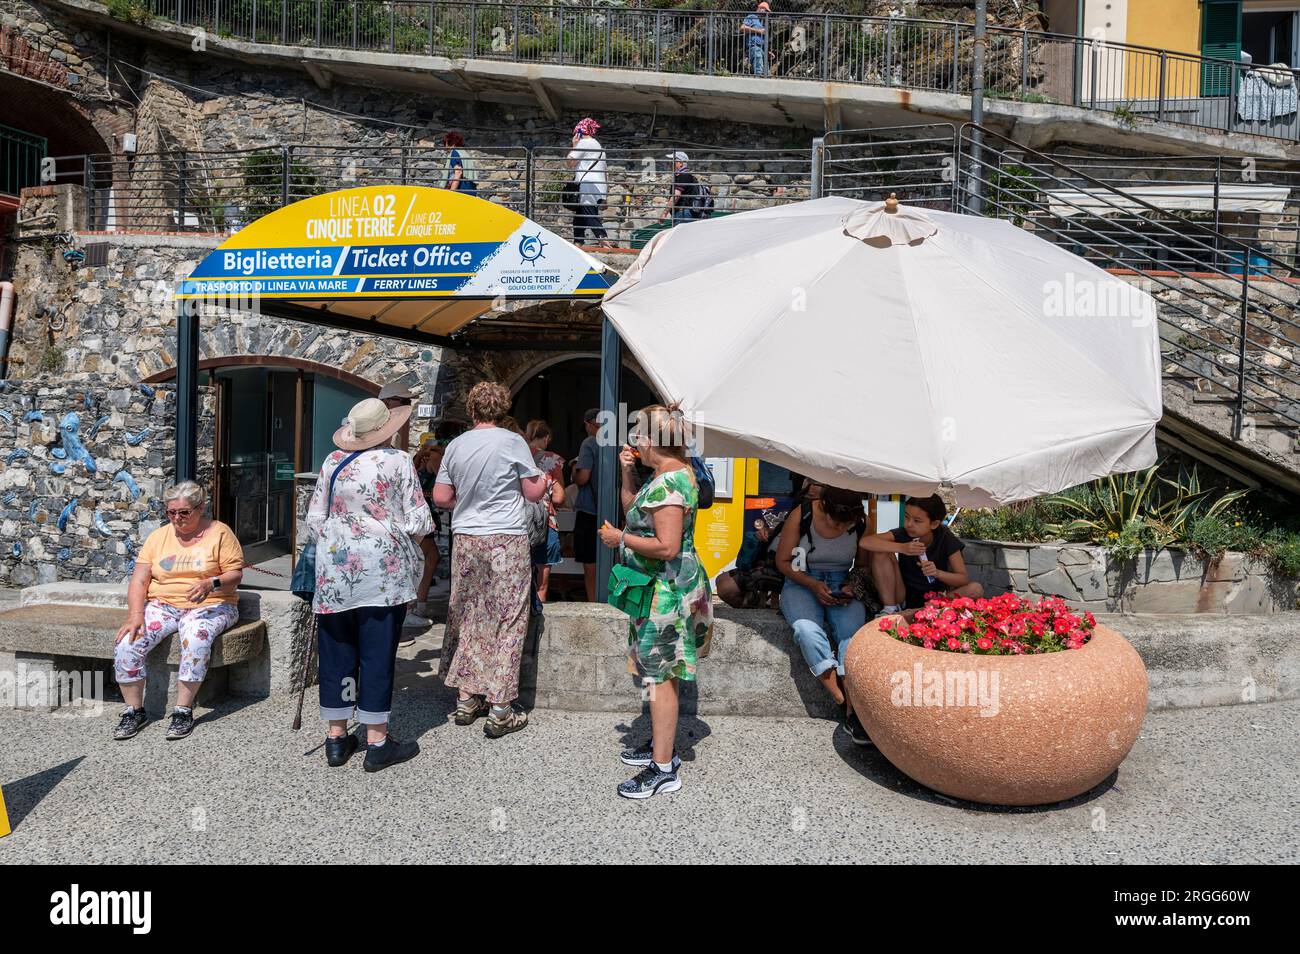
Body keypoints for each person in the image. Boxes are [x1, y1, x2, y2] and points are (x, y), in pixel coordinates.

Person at [305, 398, 433, 772]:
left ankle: (336, 737)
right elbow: (418, 520)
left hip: (334, 572)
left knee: (336, 651)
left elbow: (315, 519)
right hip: (382, 573)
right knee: (376, 654)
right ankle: (377, 741)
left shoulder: (331, 462)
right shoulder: (397, 462)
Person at [598, 405, 713, 799]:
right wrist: (629, 472)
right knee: (659, 674)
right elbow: (634, 512)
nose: (634, 444)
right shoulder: (672, 474)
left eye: (636, 438)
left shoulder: (669, 484)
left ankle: (663, 769)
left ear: (650, 441)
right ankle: (660, 748)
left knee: (660, 678)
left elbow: (666, 546)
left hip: (666, 593)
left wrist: (620, 541)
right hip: (660, 588)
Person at [433, 382, 548, 737]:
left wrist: (467, 504)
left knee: (468, 612)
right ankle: (501, 706)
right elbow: (531, 493)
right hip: (505, 538)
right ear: (502, 410)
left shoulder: (456, 445)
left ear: (471, 411)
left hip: (467, 537)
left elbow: (440, 496)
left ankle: (467, 698)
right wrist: (543, 480)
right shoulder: (512, 442)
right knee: (509, 617)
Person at [112, 481, 245, 741]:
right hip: (164, 604)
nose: (177, 518)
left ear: (200, 508)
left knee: (196, 638)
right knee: (128, 642)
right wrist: (136, 615)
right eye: (171, 512)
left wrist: (211, 582)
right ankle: (134, 710)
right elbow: (139, 580)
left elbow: (235, 575)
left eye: (184, 512)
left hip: (212, 603)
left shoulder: (220, 533)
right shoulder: (158, 537)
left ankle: (183, 710)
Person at [775, 484, 872, 746]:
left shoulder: (863, 522)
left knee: (851, 637)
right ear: (824, 508)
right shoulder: (803, 513)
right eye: (835, 524)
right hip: (801, 581)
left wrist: (852, 586)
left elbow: (863, 565)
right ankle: (841, 700)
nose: (840, 529)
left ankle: (855, 715)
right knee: (807, 631)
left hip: (842, 584)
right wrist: (812, 585)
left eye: (845, 526)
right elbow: (782, 561)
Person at [863, 494, 982, 617]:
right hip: (903, 596)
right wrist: (902, 548)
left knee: (976, 588)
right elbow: (866, 542)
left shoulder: (944, 537)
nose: (909, 524)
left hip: (937, 599)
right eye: (906, 517)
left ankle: (933, 608)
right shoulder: (904, 533)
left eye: (917, 521)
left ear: (934, 524)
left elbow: (963, 579)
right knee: (880, 549)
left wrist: (937, 573)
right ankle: (890, 608)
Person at [525, 419, 567, 603]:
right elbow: (559, 498)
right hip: (545, 520)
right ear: (547, 437)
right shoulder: (552, 460)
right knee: (543, 572)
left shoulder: (516, 456)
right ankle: (539, 610)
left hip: (518, 519)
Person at [572, 407, 602, 601]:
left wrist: (574, 471)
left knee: (590, 562)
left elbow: (583, 477)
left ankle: (594, 602)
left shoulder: (589, 443)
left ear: (588, 424)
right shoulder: (618, 443)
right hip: (612, 510)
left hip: (590, 510)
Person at [567, 117, 612, 249]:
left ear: (579, 132)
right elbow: (605, 172)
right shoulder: (598, 146)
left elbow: (570, 162)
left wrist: (574, 145)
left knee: (588, 212)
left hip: (587, 185)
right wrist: (605, 193)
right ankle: (578, 243)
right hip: (598, 186)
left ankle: (605, 243)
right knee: (580, 216)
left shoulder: (584, 144)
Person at [661, 151, 702, 226]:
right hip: (684, 213)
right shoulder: (686, 175)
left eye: (674, 161)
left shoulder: (683, 176)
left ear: (680, 163)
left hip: (682, 214)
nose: (671, 164)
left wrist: (665, 213)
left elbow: (676, 195)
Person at [442, 132, 478, 196]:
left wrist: (451, 193)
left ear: (451, 143)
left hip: (461, 191)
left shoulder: (454, 153)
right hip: (471, 191)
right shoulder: (465, 153)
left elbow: (458, 172)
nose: (444, 146)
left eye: (445, 143)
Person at [741, 2, 771, 77]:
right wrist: (758, 31)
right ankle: (758, 81)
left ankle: (765, 81)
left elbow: (762, 39)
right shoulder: (752, 17)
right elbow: (742, 28)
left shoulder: (763, 22)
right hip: (753, 46)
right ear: (760, 8)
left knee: (766, 69)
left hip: (762, 49)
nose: (766, 13)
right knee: (758, 65)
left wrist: (768, 51)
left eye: (767, 12)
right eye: (766, 10)